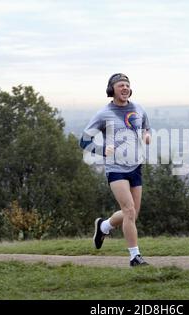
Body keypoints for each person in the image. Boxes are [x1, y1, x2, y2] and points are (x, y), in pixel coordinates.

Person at [79, 73, 151, 267]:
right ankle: (135, 257)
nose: (125, 88)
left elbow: (146, 128)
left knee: (133, 213)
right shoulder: (104, 114)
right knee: (128, 211)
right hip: (115, 168)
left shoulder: (138, 108)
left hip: (135, 166)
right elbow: (84, 141)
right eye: (121, 85)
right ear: (112, 90)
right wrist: (103, 150)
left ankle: (103, 226)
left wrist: (146, 136)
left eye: (127, 85)